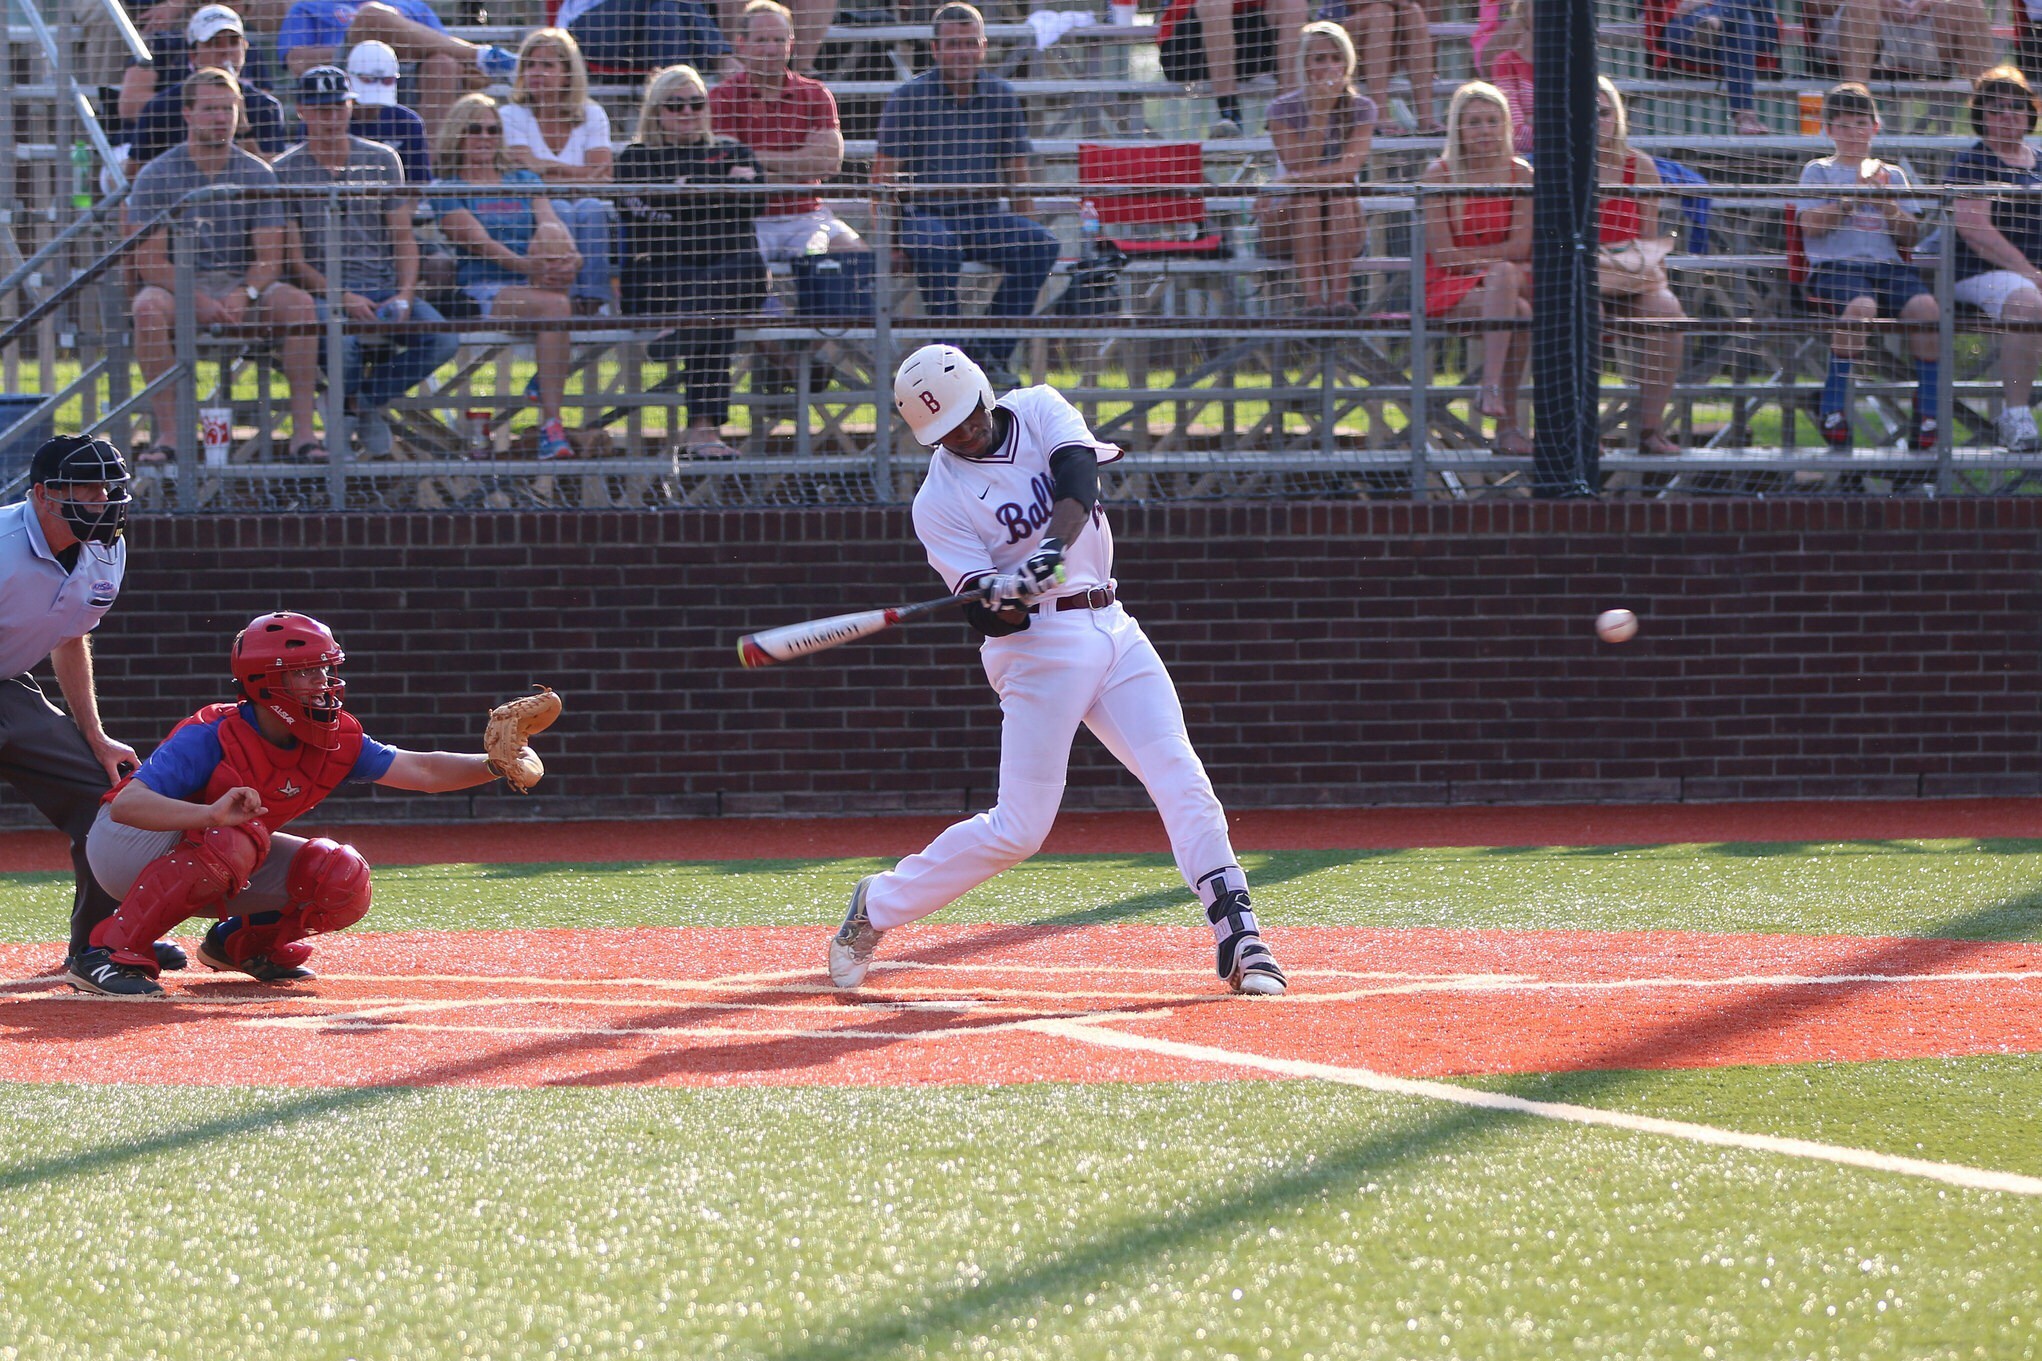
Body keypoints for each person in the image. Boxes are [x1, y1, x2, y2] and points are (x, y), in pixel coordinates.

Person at [828, 344, 1287, 999]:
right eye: (946, 428)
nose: (964, 432)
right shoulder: (939, 499)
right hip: (1038, 650)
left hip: (1111, 619)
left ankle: (1242, 939)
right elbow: (990, 621)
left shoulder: (1039, 407)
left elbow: (1078, 479)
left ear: (984, 393)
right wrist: (1001, 596)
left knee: (1180, 775)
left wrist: (1046, 552)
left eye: (967, 415)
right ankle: (877, 905)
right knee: (1021, 827)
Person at [64, 612, 535, 1000]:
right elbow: (128, 805)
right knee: (234, 837)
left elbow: (424, 770)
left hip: (215, 848)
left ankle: (241, 945)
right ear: (266, 682)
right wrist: (209, 815)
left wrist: (495, 762)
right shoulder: (215, 733)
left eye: (325, 669)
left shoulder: (335, 738)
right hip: (125, 846)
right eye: (308, 671)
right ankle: (108, 954)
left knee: (340, 875)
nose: (322, 682)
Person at [0, 436, 169, 975]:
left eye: (108, 486)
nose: (102, 499)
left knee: (111, 803)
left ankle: (99, 943)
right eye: (86, 487)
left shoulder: (106, 547)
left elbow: (70, 637)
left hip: (8, 688)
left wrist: (94, 735)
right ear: (43, 495)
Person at [127, 67, 326, 463]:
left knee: (301, 306)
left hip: (244, 288)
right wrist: (194, 297)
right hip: (179, 289)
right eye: (209, 109)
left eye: (228, 108)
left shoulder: (258, 174)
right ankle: (170, 436)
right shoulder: (156, 175)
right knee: (146, 308)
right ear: (188, 114)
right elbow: (149, 261)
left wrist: (246, 292)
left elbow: (272, 256)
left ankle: (305, 434)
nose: (220, 117)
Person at [276, 66, 460, 459]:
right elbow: (292, 260)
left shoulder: (382, 159)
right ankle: (348, 421)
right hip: (323, 293)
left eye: (338, 107)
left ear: (351, 107)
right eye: (320, 109)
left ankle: (358, 403)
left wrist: (406, 294)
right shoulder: (283, 170)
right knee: (341, 339)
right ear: (302, 112)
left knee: (443, 337)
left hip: (383, 286)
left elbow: (403, 237)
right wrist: (341, 296)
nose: (331, 117)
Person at [873, 3, 1060, 382]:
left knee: (1041, 245)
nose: (963, 52)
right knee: (939, 245)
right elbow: (882, 179)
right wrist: (887, 242)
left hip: (983, 217)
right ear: (936, 50)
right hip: (924, 218)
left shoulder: (1001, 95)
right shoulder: (908, 97)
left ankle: (990, 352)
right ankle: (952, 366)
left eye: (970, 43)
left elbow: (1017, 176)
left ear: (984, 46)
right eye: (954, 44)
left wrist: (1026, 227)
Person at [616, 65, 768, 459]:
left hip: (731, 274)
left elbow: (757, 199)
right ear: (656, 111)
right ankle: (704, 432)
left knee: (744, 272)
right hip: (661, 278)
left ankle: (686, 327)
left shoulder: (732, 148)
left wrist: (683, 192)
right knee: (714, 317)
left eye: (696, 104)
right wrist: (719, 188)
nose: (686, 113)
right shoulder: (636, 158)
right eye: (675, 106)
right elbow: (639, 210)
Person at [429, 93, 581, 461]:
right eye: (475, 129)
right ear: (458, 135)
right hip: (484, 286)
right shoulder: (448, 189)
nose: (485, 137)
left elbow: (549, 220)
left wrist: (569, 256)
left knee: (554, 272)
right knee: (556, 306)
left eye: (493, 130)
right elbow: (479, 244)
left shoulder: (523, 179)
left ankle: (546, 391)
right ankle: (551, 422)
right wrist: (532, 268)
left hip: (537, 282)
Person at [1797, 82, 1939, 452]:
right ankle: (1834, 407)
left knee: (1927, 309)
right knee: (1861, 308)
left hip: (1888, 267)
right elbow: (1808, 226)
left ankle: (1928, 410)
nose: (1854, 133)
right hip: (1836, 267)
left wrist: (1888, 204)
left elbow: (1910, 235)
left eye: (1861, 123)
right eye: (1843, 125)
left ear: (1876, 126)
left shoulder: (1893, 173)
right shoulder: (1819, 171)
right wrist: (1851, 200)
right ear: (1828, 130)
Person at [1420, 81, 1532, 456]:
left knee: (1509, 284)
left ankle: (1492, 389)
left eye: (1492, 121)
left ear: (1505, 126)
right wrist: (1496, 265)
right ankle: (1507, 424)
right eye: (1474, 123)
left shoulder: (1521, 175)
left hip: (1509, 281)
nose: (1485, 130)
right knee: (1517, 307)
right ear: (1458, 129)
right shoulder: (1440, 174)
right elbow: (1444, 256)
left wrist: (1492, 266)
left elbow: (1520, 246)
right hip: (1449, 285)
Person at [710, 0, 864, 264]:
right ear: (741, 43)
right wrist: (801, 161)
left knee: (853, 255)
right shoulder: (721, 96)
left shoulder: (816, 93)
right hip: (746, 221)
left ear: (791, 43)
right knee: (735, 263)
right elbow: (729, 170)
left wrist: (754, 160)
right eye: (761, 40)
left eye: (779, 40)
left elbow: (828, 163)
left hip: (807, 217)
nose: (771, 49)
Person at [1946, 66, 2042, 453]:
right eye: (1997, 109)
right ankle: (2016, 417)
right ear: (1981, 116)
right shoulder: (1973, 164)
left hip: (2032, 273)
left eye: (2016, 107)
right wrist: (2030, 273)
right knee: (2028, 303)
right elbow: (1975, 230)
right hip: (1980, 272)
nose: (2008, 116)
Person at [1595, 77, 1687, 456]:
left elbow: (1648, 238)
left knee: (1668, 313)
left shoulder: (1640, 166)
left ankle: (1650, 429)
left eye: (1603, 112)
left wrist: (1635, 267)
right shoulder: (1558, 164)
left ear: (1616, 116)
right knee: (1585, 312)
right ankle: (1582, 426)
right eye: (1586, 112)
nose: (1596, 120)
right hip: (1581, 276)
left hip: (1627, 276)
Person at [499, 27, 619, 313]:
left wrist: (545, 169)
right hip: (533, 210)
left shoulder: (592, 113)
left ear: (567, 73)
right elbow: (525, 175)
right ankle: (562, 301)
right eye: (530, 65)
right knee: (561, 209)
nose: (536, 73)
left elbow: (604, 178)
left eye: (547, 65)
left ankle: (591, 303)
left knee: (590, 207)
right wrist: (581, 172)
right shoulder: (510, 115)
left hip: (589, 205)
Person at [1260, 19, 1374, 317]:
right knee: (1309, 196)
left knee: (1335, 193)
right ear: (1304, 64)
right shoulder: (1280, 109)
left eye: (1337, 58)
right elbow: (1299, 162)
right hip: (1286, 219)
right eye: (1319, 58)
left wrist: (1294, 179)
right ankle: (1312, 303)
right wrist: (1320, 114)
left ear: (1348, 63)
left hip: (1344, 218)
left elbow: (1347, 169)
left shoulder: (1362, 108)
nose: (1329, 66)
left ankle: (1338, 300)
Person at [275, 0, 520, 136]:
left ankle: (431, 175)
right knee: (372, 16)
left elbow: (460, 65)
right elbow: (297, 62)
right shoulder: (309, 5)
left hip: (407, 79)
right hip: (345, 78)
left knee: (443, 63)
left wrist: (394, 51)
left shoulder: (414, 6)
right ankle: (488, 57)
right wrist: (367, 45)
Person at [122, 5, 291, 170]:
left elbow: (269, 179)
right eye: (214, 43)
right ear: (193, 55)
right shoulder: (162, 106)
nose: (226, 51)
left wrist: (243, 129)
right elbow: (135, 175)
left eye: (233, 42)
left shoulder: (266, 107)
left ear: (244, 49)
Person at [1155, 0, 1310, 137]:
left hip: (1247, 48)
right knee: (1217, 3)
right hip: (1186, 49)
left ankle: (1285, 119)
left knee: (1294, 4)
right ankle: (1229, 116)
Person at [1804, 0, 1990, 91]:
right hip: (1854, 28)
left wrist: (1932, 2)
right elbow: (1813, 5)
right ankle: (1856, 108)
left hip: (1922, 29)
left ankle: (1994, 107)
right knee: (1864, 4)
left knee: (1970, 5)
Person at [1659, 0, 1780, 136]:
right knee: (1742, 20)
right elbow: (1643, 12)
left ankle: (1716, 19)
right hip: (1688, 30)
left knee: (1741, 17)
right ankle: (1745, 114)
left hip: (1754, 37)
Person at [1337, 0, 1441, 135]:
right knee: (1382, 13)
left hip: (1386, 45)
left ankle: (1426, 120)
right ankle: (1380, 114)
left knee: (1413, 11)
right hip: (1338, 36)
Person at [555, 0, 736, 73]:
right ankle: (721, 59)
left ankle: (672, 98)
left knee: (665, 12)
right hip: (584, 29)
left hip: (636, 36)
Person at [345, 39, 432, 184]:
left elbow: (420, 185)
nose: (371, 107)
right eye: (367, 80)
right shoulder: (326, 122)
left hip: (396, 204)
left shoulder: (408, 123)